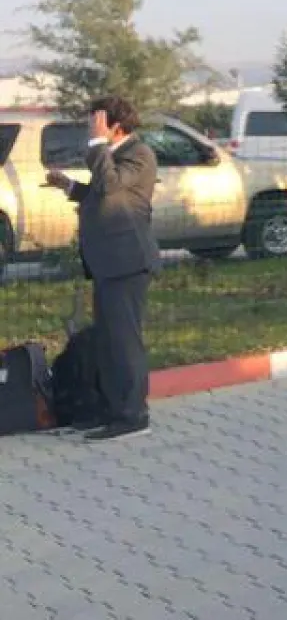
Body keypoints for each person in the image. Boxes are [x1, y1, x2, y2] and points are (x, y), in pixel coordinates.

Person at [42, 96, 159, 441]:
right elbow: (102, 194)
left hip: (128, 262)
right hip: (108, 263)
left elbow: (110, 186)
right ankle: (110, 410)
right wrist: (70, 187)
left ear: (114, 125)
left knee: (124, 342)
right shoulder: (117, 156)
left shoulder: (139, 154)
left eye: (95, 122)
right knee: (107, 341)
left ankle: (133, 416)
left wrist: (96, 143)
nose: (89, 129)